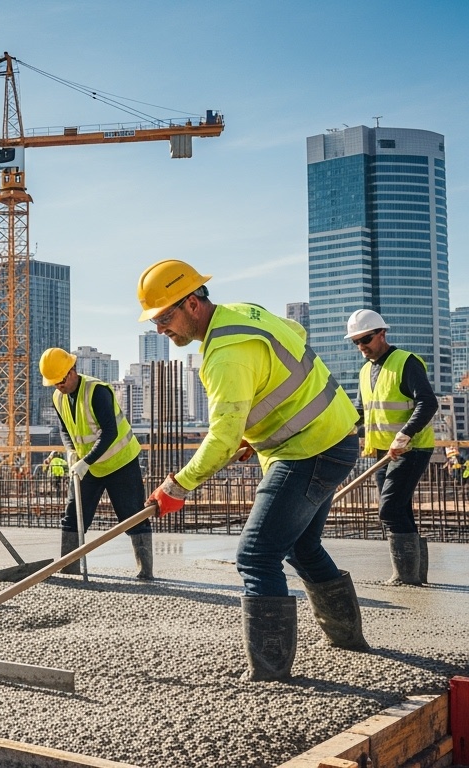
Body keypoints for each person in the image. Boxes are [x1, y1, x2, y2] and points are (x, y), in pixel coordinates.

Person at [137, 259, 367, 682]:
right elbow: (293, 338)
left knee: (256, 555)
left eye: (164, 317)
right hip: (333, 436)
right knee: (302, 546)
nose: (160, 329)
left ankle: (270, 671)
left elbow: (221, 439)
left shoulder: (225, 356)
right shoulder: (243, 313)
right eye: (155, 320)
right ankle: (347, 638)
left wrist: (179, 485)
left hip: (308, 449)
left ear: (192, 303)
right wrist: (254, 429)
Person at [39, 347, 154, 579]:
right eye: (54, 383)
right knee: (73, 515)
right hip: (87, 466)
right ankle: (69, 569)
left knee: (133, 515)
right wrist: (71, 451)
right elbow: (64, 429)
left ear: (72, 370)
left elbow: (110, 432)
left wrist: (86, 461)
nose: (59, 386)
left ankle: (146, 572)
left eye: (61, 380)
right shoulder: (58, 397)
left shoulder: (97, 391)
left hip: (120, 462)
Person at [345, 309, 437, 586]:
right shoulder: (365, 371)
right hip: (382, 452)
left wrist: (405, 434)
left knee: (390, 509)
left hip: (411, 448)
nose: (361, 346)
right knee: (401, 508)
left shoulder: (406, 362)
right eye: (356, 342)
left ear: (382, 334)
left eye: (366, 339)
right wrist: (340, 427)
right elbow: (361, 412)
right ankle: (414, 575)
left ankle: (405, 576)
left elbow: (428, 402)